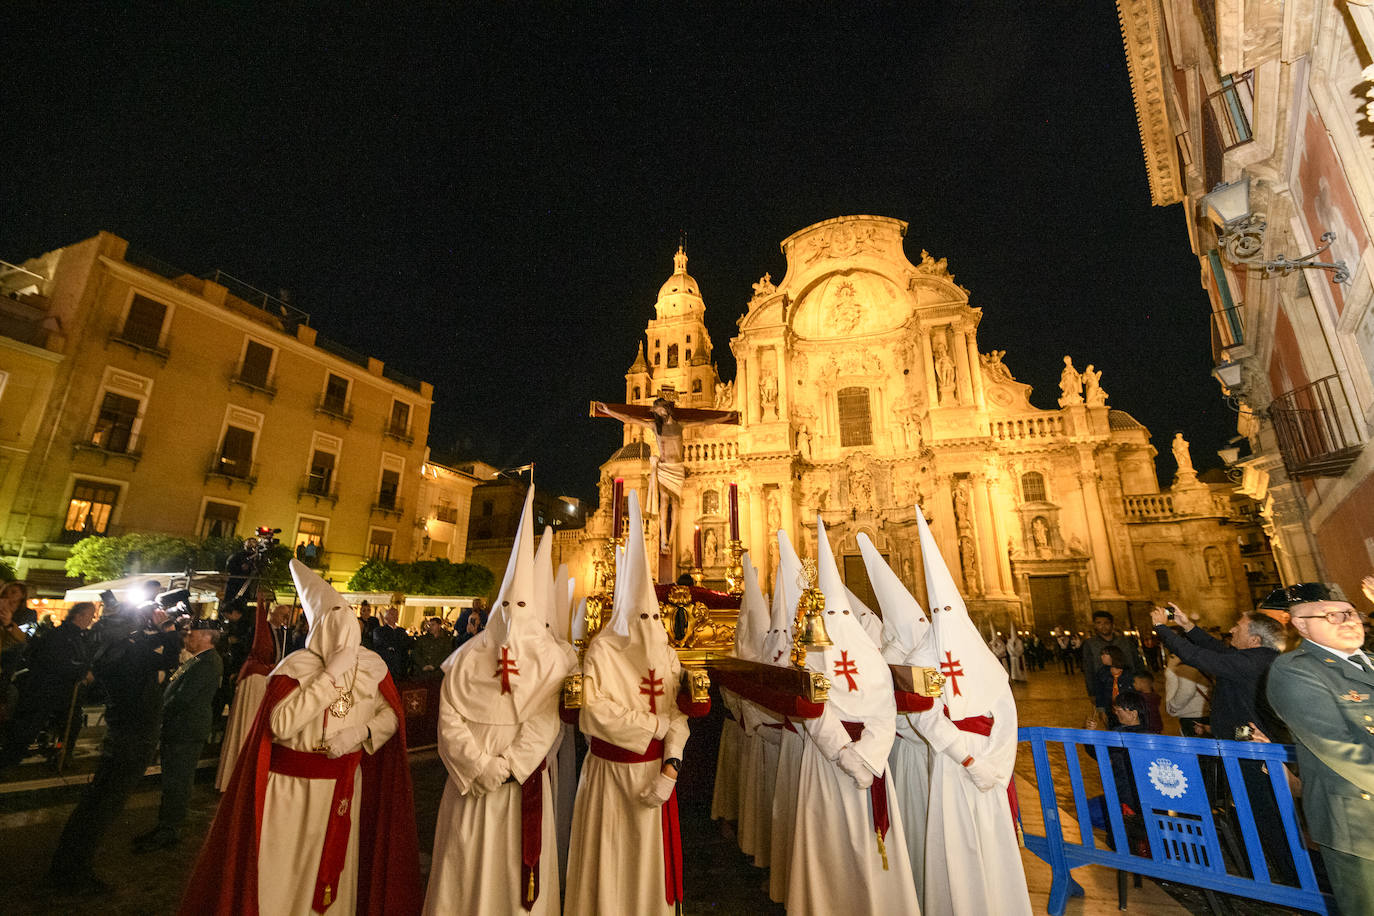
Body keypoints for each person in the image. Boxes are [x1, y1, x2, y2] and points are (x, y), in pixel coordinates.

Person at [182, 560, 422, 915]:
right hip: (291, 790)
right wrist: (329, 676)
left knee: (333, 873)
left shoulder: (372, 666)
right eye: (334, 620)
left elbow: (390, 716)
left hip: (342, 786)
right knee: (285, 872)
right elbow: (280, 725)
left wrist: (361, 731)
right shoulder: (295, 667)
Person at [423, 489, 576, 914]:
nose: (512, 613)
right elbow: (449, 716)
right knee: (464, 870)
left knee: (513, 880)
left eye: (521, 604)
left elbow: (546, 720)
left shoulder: (549, 659)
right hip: (470, 785)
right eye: (506, 603)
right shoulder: (469, 657)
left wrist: (508, 768)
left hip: (517, 786)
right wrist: (478, 766)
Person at [787, 516, 921, 913]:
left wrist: (867, 756)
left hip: (867, 761)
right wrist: (846, 753)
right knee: (830, 844)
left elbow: (885, 707)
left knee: (870, 846)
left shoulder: (868, 653)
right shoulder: (811, 651)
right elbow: (812, 706)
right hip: (831, 761)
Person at [565, 491, 690, 915]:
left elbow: (679, 715)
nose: (651, 627)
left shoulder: (666, 652)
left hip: (655, 776)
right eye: (643, 618)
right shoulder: (602, 651)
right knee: (611, 867)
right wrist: (653, 728)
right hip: (610, 779)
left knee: (648, 874)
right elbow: (594, 710)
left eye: (656, 618)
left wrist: (671, 768)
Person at [912, 508, 1032, 916]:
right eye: (939, 613)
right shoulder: (922, 655)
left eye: (951, 613)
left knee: (993, 841)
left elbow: (1006, 716)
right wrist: (964, 755)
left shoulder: (986, 660)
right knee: (954, 839)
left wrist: (994, 767)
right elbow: (922, 712)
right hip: (950, 765)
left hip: (988, 771)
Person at [1150, 601, 1294, 883]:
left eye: (1237, 627)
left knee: (1266, 815)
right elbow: (1216, 649)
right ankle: (1269, 870)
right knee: (1255, 811)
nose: (1230, 629)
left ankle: (1292, 878)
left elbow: (1199, 657)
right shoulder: (1253, 657)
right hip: (1242, 744)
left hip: (1254, 752)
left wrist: (1160, 628)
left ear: (1254, 639)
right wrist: (1187, 626)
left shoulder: (1254, 662)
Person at [46, 599, 182, 894]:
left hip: (119, 734)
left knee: (94, 803)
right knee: (105, 808)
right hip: (135, 738)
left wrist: (157, 629)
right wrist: (168, 626)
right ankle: (74, 874)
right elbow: (171, 657)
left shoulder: (110, 651)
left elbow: (149, 649)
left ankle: (65, 864)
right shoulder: (133, 653)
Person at [1266, 582, 1374, 913]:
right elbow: (1340, 748)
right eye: (1331, 615)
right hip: (1360, 826)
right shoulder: (1296, 670)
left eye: (1351, 612)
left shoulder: (1368, 661)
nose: (1348, 620)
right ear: (1301, 624)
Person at [859, 532, 938, 908]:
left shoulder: (932, 649)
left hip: (929, 753)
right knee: (912, 819)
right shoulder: (883, 655)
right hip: (904, 752)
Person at [134, 618, 224, 850]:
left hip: (186, 728)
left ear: (207, 637)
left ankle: (170, 828)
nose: (188, 638)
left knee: (178, 780)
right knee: (173, 779)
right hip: (179, 727)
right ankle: (165, 824)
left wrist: (160, 709)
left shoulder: (208, 662)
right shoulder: (197, 660)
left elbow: (183, 697)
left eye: (192, 634)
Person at [0, 601, 95, 769]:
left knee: (71, 723)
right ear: (78, 615)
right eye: (89, 615)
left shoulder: (79, 636)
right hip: (46, 690)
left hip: (63, 691)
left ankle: (61, 754)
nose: (91, 619)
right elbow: (55, 661)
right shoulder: (59, 635)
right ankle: (8, 760)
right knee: (29, 727)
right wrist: (81, 672)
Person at [1082, 611, 1143, 714]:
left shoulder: (1125, 642)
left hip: (1128, 684)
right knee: (1111, 718)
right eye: (1099, 623)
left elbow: (1137, 662)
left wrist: (1142, 682)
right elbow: (1088, 668)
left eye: (1106, 623)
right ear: (1095, 625)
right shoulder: (1090, 644)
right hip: (1105, 687)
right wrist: (1092, 692)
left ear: (1112, 624)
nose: (1103, 626)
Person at [1164, 652, 1210, 736]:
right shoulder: (1200, 658)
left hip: (1193, 718)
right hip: (1203, 713)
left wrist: (1173, 706)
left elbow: (1188, 690)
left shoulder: (1183, 660)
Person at [371, 605, 413, 681]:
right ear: (386, 617)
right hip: (388, 666)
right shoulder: (379, 631)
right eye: (392, 614)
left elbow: (408, 645)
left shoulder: (401, 631)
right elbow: (380, 646)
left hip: (401, 667)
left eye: (396, 614)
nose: (395, 616)